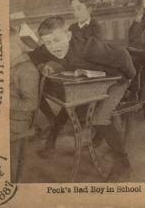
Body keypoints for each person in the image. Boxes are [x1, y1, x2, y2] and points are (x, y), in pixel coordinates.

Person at [30, 17, 136, 182]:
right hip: (92, 81)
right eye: (48, 43)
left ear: (69, 36)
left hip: (116, 80)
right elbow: (34, 55)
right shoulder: (47, 48)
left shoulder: (88, 48)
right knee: (68, 105)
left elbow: (123, 56)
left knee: (99, 119)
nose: (53, 47)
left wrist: (128, 81)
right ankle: (51, 144)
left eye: (57, 40)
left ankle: (123, 163)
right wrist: (42, 66)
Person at [9, 27, 40, 182]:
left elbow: (31, 104)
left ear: (14, 47)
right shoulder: (11, 63)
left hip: (18, 121)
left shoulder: (27, 69)